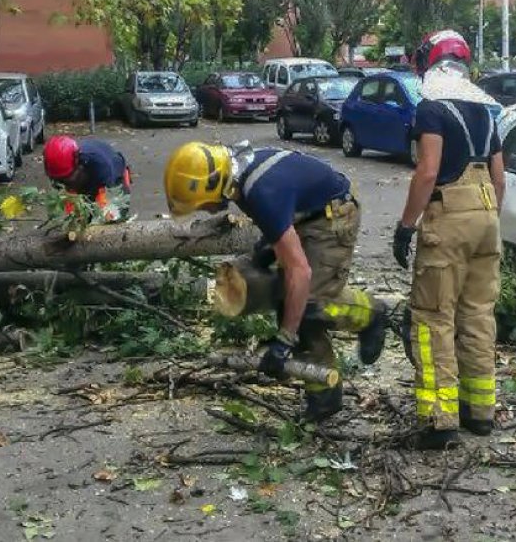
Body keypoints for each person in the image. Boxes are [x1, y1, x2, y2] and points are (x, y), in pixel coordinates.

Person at [163, 140, 388, 422]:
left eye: (202, 204)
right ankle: (324, 397)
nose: (206, 210)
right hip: (304, 215)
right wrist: (270, 244)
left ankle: (372, 313)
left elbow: (300, 272)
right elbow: (284, 202)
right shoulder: (238, 178)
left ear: (213, 184)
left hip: (334, 214)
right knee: (290, 307)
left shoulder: (260, 192)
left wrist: (284, 340)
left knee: (310, 306)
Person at [393, 30, 506, 450]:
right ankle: (480, 412)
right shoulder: (486, 111)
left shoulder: (432, 109)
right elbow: (499, 178)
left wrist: (407, 225)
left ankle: (441, 419)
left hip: (449, 215)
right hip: (487, 214)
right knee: (477, 315)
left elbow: (428, 171)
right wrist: (491, 219)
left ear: (429, 62)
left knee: (432, 317)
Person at [43, 135, 133, 222]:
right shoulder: (56, 174)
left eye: (68, 178)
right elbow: (68, 200)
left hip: (115, 182)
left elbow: (106, 203)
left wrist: (105, 216)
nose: (65, 184)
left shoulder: (101, 167)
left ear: (78, 163)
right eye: (61, 180)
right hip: (86, 185)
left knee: (110, 220)